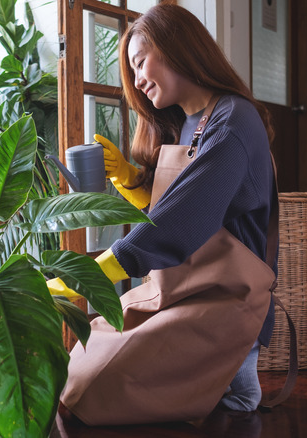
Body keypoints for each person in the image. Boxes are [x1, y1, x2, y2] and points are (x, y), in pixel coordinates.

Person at [47, 3, 278, 426]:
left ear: (176, 48)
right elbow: (174, 207)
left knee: (98, 388)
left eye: (139, 63)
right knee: (76, 368)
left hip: (224, 303)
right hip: (182, 290)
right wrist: (133, 181)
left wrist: (83, 280)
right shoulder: (188, 122)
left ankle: (234, 380)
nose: (136, 81)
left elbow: (181, 221)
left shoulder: (232, 122)